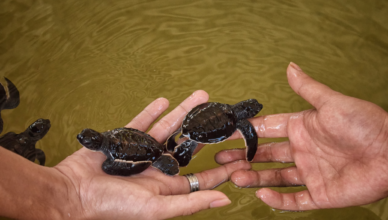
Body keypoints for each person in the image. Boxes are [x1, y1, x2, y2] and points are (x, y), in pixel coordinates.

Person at [0, 90, 251, 220]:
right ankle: (168, 158)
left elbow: (118, 158)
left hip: (148, 149)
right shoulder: (109, 146)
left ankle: (169, 158)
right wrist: (66, 196)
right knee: (118, 165)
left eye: (87, 139)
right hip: (147, 147)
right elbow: (120, 155)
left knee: (119, 165)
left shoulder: (109, 147)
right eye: (86, 139)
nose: (83, 141)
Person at [215, 62, 388, 211]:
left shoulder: (223, 109)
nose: (258, 109)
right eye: (254, 110)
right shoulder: (242, 123)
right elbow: (250, 136)